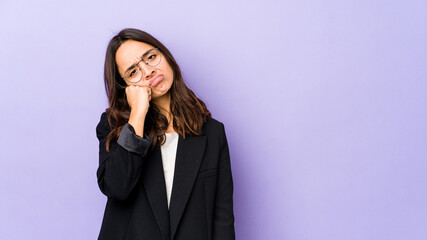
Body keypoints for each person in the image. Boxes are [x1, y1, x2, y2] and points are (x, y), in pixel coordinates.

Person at [95, 28, 235, 240]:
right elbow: (117, 188)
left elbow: (222, 218)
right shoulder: (113, 126)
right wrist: (137, 115)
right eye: (133, 72)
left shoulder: (213, 133)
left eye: (151, 57)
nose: (148, 71)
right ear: (125, 87)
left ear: (166, 56)